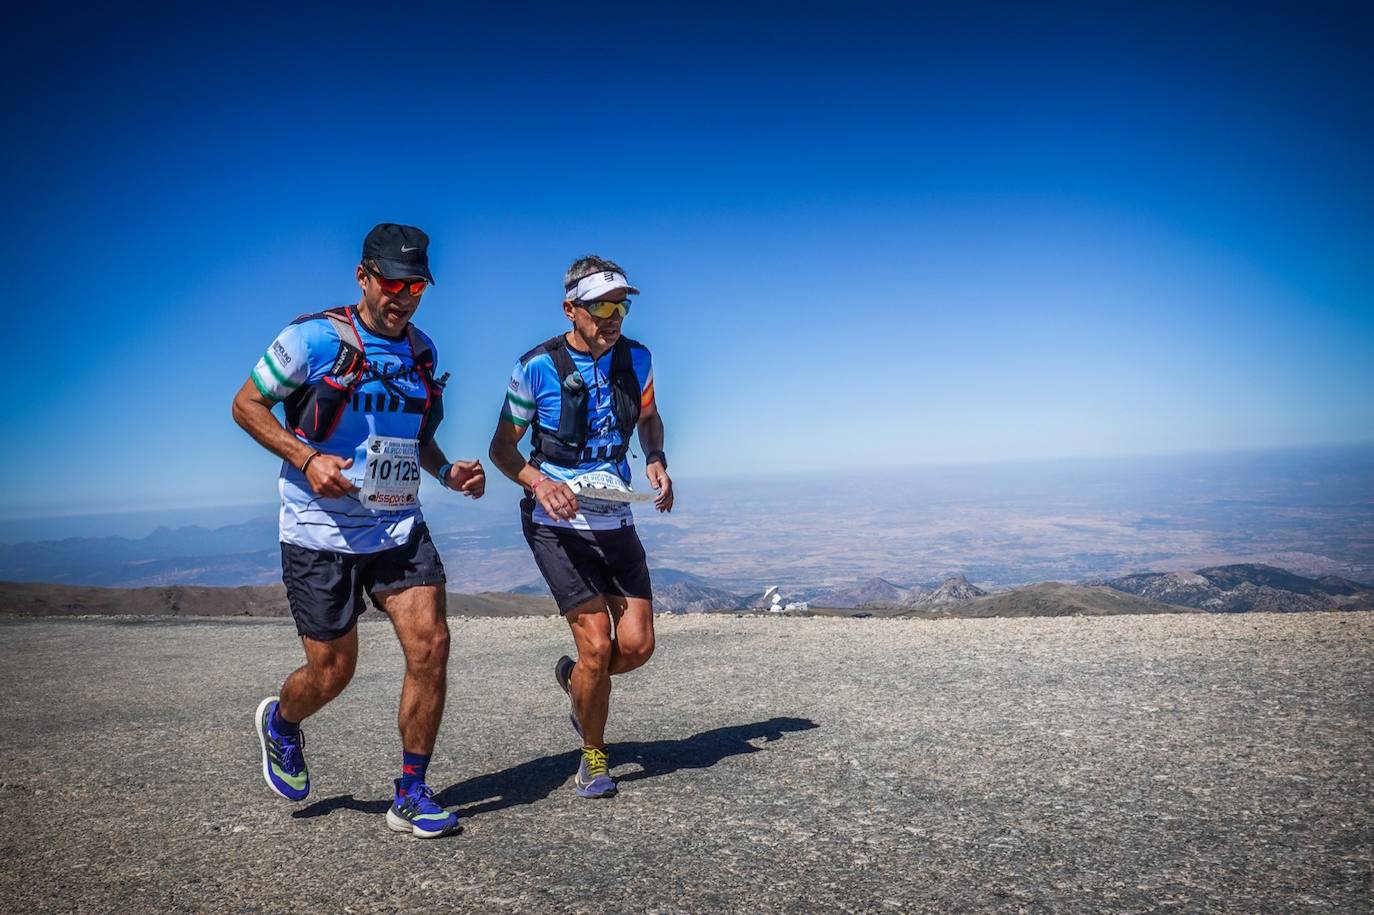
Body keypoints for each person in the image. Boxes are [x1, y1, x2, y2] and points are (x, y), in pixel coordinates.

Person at [231, 223, 484, 838]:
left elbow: (415, 438)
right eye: (391, 283)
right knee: (332, 671)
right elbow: (246, 405)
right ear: (364, 277)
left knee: (432, 644)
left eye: (415, 285)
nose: (402, 296)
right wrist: (307, 458)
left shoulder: (423, 350)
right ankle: (283, 724)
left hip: (398, 525)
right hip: (319, 532)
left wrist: (447, 470)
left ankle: (412, 792)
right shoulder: (312, 338)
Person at [489, 255, 673, 799]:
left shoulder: (638, 358)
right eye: (602, 306)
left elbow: (648, 416)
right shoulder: (535, 367)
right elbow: (501, 448)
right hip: (556, 522)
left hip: (614, 515)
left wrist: (656, 456)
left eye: (622, 305)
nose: (614, 316)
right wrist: (538, 483)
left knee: (636, 647)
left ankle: (577, 684)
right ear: (572, 309)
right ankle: (593, 755)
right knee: (596, 645)